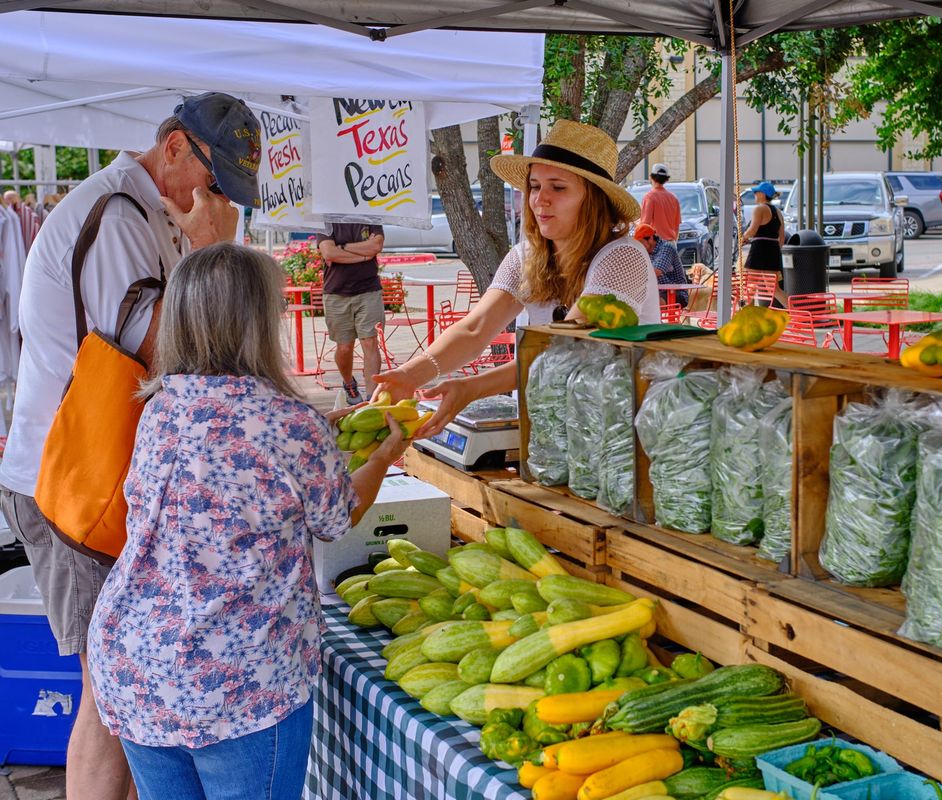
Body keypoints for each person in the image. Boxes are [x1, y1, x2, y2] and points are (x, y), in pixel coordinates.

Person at [0, 91, 260, 800]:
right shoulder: (116, 215)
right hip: (75, 485)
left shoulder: (153, 212)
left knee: (125, 686)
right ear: (174, 147)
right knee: (110, 692)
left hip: (111, 479)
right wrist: (215, 256)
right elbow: (171, 347)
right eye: (213, 183)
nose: (215, 201)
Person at [85, 243, 410, 800]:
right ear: (258, 321)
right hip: (238, 679)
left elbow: (229, 469)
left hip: (137, 662)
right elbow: (336, 515)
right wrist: (380, 458)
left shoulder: (161, 405)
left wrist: (315, 433)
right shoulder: (290, 423)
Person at [373, 119, 658, 435]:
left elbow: (563, 348)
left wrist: (472, 387)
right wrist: (408, 376)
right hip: (548, 431)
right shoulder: (527, 256)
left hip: (615, 433)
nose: (540, 199)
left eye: (558, 187)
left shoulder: (624, 255)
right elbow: (474, 329)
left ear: (594, 199)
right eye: (535, 186)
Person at [316, 222, 386, 404]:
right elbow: (329, 253)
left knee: (370, 342)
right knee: (344, 347)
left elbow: (376, 246)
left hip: (369, 290)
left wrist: (343, 248)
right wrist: (364, 256)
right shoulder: (326, 221)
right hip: (336, 293)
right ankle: (349, 383)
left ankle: (372, 397)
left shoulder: (369, 217)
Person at [743, 180, 788, 305]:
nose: (755, 195)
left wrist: (743, 237)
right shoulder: (778, 212)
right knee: (775, 289)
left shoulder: (759, 209)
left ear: (762, 194)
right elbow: (782, 237)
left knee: (749, 286)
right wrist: (775, 250)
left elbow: (752, 230)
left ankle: (747, 317)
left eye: (756, 192)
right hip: (773, 250)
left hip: (759, 250)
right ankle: (796, 314)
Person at [633, 222, 688, 306]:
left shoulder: (666, 247)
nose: (639, 246)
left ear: (650, 238)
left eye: (640, 242)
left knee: (650, 304)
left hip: (676, 293)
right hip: (657, 292)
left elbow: (656, 272)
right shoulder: (646, 252)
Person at [639, 162, 681, 244]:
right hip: (671, 243)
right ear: (666, 179)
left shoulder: (649, 197)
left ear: (651, 177)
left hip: (655, 244)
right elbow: (676, 226)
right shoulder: (674, 199)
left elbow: (645, 225)